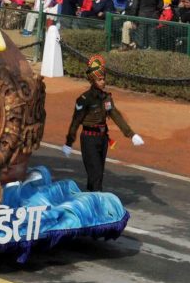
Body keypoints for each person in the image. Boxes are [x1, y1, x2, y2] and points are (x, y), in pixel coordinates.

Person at [62, 56, 144, 192]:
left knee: (97, 175)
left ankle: (91, 199)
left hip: (102, 139)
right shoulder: (84, 99)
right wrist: (69, 142)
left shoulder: (106, 98)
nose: (103, 82)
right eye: (99, 79)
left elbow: (115, 115)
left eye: (103, 79)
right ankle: (97, 202)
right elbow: (76, 121)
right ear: (92, 80)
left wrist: (131, 134)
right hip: (89, 140)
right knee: (96, 174)